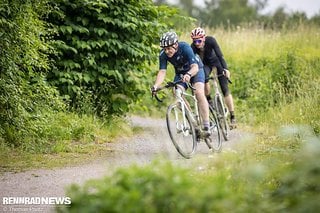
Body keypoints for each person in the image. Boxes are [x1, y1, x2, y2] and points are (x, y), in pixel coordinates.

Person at [151, 31, 211, 136]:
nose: (167, 51)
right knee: (177, 93)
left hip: (195, 70)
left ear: (176, 44)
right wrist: (156, 85)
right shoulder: (163, 55)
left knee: (199, 93)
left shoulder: (185, 47)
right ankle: (192, 120)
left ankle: (206, 125)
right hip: (181, 73)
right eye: (164, 49)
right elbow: (162, 71)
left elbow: (195, 67)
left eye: (169, 48)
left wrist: (188, 75)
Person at [190, 27, 237, 128]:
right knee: (204, 78)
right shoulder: (192, 48)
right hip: (205, 66)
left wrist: (226, 69)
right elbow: (194, 64)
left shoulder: (211, 41)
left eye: (199, 40)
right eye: (195, 41)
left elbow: (220, 56)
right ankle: (209, 101)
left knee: (225, 89)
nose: (197, 43)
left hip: (217, 63)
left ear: (204, 38)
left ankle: (232, 116)